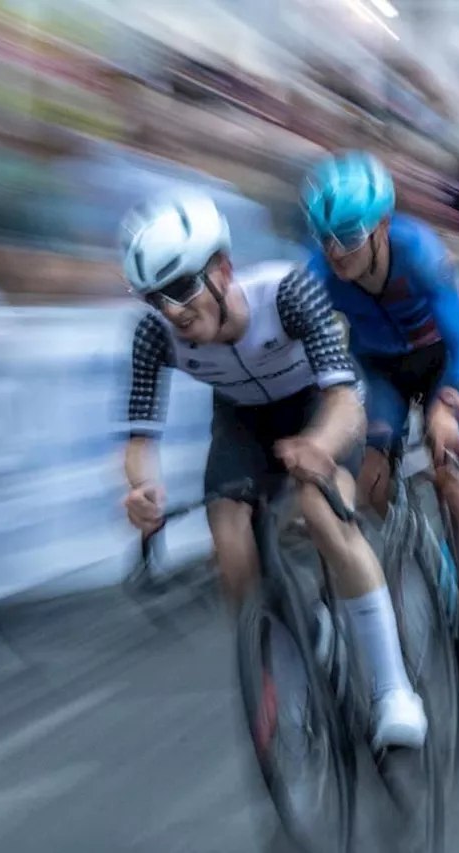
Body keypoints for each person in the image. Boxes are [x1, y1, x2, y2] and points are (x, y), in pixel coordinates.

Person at [119, 189, 428, 751]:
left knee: (323, 510)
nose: (171, 311)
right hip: (242, 421)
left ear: (223, 269)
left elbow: (345, 401)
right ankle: (299, 667)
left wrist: (319, 445)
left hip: (321, 405)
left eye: (182, 287)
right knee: (233, 552)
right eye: (153, 297)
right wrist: (141, 487)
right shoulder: (153, 335)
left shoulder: (286, 291)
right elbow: (140, 439)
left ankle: (394, 690)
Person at [300, 152, 459, 705]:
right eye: (325, 237)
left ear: (382, 225)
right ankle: (426, 553)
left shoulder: (419, 253)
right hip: (380, 367)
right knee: (374, 483)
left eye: (350, 235)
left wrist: (448, 405)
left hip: (445, 363)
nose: (336, 250)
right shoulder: (316, 272)